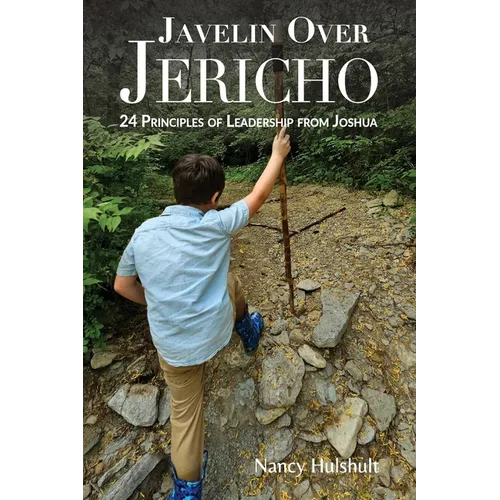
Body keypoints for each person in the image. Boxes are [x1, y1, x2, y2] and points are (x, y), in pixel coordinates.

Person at [113, 127, 291, 499]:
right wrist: (277, 155)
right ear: (214, 198)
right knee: (231, 281)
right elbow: (258, 196)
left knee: (185, 415)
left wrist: (160, 301)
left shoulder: (143, 233)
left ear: (176, 193)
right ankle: (247, 330)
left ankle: (188, 490)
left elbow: (123, 286)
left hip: (174, 346)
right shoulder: (217, 224)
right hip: (215, 330)